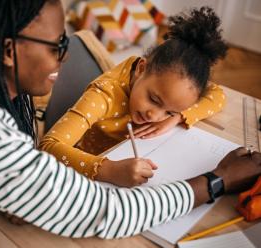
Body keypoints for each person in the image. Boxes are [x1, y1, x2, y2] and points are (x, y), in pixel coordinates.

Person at [0, 0, 260, 248]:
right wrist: (217, 181)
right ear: (9, 50)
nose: (64, 59)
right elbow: (105, 210)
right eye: (58, 46)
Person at [39, 7, 228, 187]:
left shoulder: (170, 83)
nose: (155, 117)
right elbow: (49, 146)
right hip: (89, 174)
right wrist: (110, 170)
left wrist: (177, 118)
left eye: (169, 111)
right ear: (141, 68)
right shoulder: (104, 94)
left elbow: (218, 95)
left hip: (132, 156)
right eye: (154, 100)